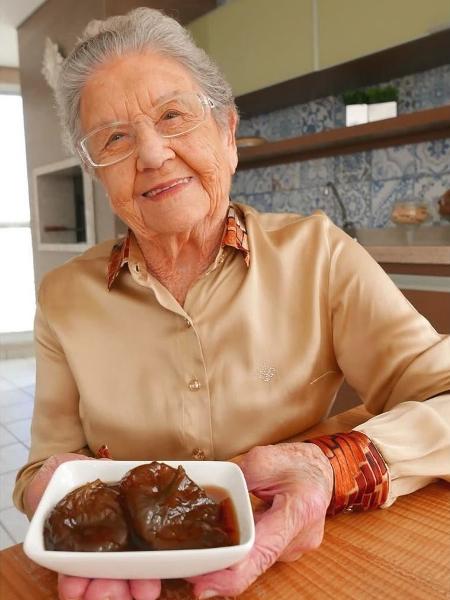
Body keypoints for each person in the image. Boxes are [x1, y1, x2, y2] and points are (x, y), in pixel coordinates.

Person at [14, 7, 450, 600]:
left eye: (173, 115)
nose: (150, 154)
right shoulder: (64, 297)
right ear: (100, 176)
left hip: (310, 561)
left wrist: (332, 466)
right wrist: (57, 496)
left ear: (226, 131)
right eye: (114, 138)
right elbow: (41, 468)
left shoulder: (319, 254)